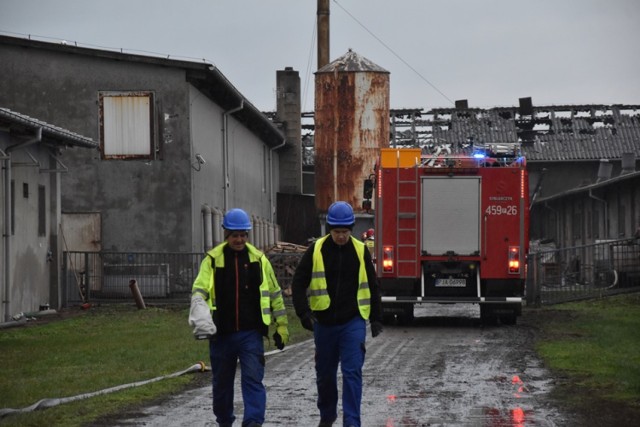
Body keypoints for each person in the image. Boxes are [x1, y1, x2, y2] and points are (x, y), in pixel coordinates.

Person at [188, 208, 289, 427]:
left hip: (250, 334)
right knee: (222, 385)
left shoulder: (259, 260)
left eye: (243, 235)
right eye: (235, 235)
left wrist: (281, 326)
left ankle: (253, 422)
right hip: (221, 335)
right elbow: (199, 291)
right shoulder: (213, 261)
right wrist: (199, 311)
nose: (239, 239)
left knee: (253, 380)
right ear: (227, 235)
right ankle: (225, 421)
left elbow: (275, 294)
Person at [292, 201, 383, 427]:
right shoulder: (316, 250)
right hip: (324, 324)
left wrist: (376, 317)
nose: (341, 236)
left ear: (351, 229)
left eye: (344, 232)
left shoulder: (360, 251)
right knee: (325, 375)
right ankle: (327, 415)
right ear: (329, 229)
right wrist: (303, 313)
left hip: (352, 322)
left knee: (352, 373)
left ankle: (352, 421)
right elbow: (298, 282)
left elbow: (372, 285)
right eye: (336, 232)